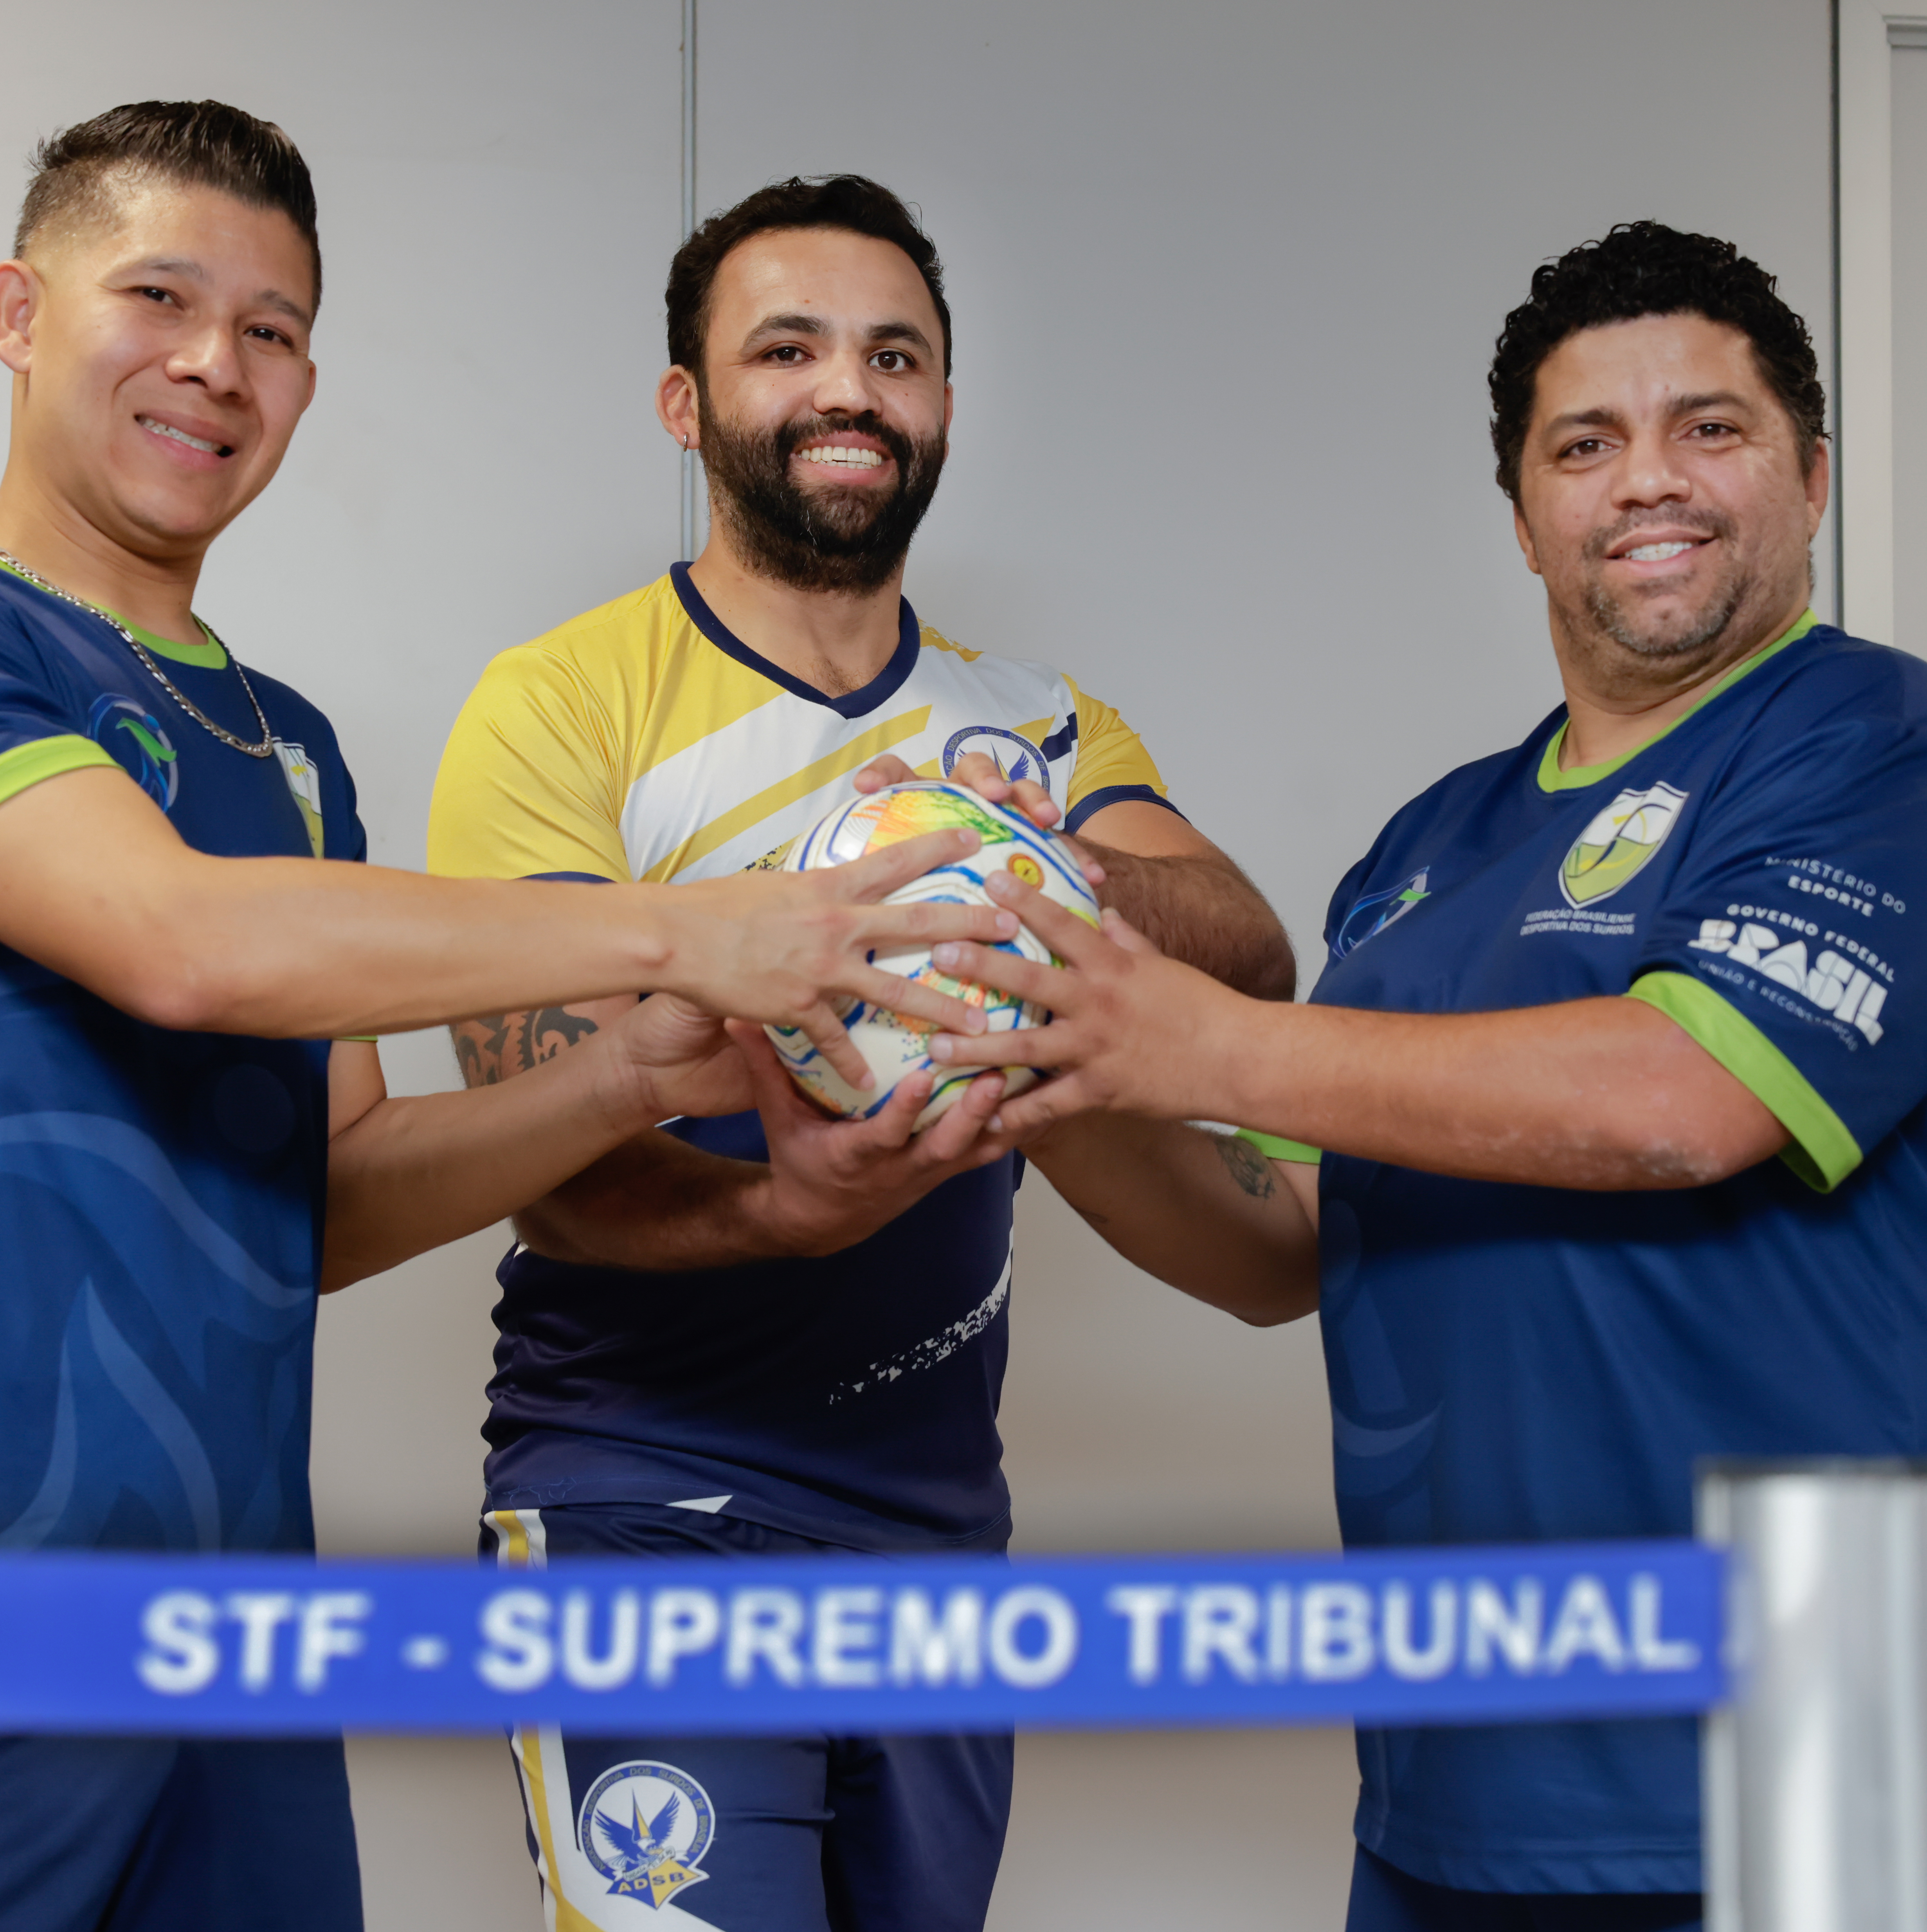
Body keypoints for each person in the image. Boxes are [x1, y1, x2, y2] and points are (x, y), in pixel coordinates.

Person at [0, 108, 1011, 1932]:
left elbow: (327, 1195)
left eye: (270, 328)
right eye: (156, 295)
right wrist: (692, 930)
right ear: (17, 310)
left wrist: (629, 1065)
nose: (212, 363)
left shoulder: (294, 752)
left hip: (231, 1635)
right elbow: (174, 943)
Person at [918, 222, 1927, 1930]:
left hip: (1852, 1709)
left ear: (1811, 474)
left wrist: (1197, 1034)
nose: (1648, 482)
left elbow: (1681, 1105)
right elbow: (1279, 1238)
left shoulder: (1887, 744)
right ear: (1524, 510)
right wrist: (1053, 1063)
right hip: (1475, 1749)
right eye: (1584, 445)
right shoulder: (1427, 849)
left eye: (1710, 428)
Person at [424, 173, 1294, 1932]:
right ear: (688, 405)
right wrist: (773, 1174)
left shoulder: (1037, 730)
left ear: (944, 404)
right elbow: (554, 1146)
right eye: (788, 348)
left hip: (930, 1522)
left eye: (895, 354)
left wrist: (1007, 864)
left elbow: (1242, 944)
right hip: (641, 1489)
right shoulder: (561, 702)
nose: (849, 389)